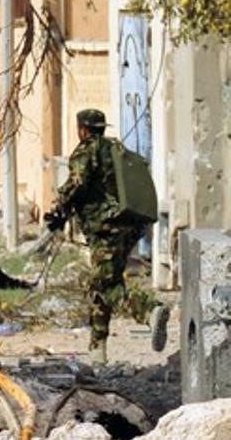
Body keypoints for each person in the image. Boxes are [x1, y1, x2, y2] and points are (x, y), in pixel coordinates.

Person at [46, 108, 167, 364]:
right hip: (129, 226)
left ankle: (149, 311)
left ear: (83, 129)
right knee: (103, 283)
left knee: (105, 285)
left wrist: (57, 207)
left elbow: (77, 183)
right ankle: (97, 349)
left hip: (106, 228)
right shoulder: (116, 150)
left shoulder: (87, 150)